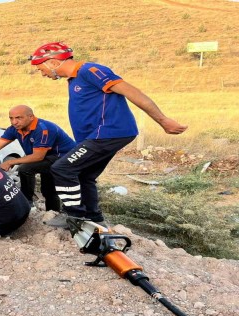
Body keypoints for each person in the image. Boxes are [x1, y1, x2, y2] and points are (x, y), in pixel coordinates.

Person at [29, 42, 188, 228]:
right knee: (84, 174)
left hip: (108, 133)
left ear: (53, 62)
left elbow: (130, 91)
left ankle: (74, 216)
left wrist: (163, 120)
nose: (42, 74)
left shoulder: (89, 70)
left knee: (62, 168)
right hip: (98, 136)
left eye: (41, 69)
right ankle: (94, 218)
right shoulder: (74, 79)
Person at [0, 104, 75, 212]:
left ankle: (27, 202)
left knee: (25, 169)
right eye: (11, 118)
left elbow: (38, 156)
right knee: (47, 189)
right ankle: (53, 213)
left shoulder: (43, 129)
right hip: (47, 157)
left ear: (31, 117)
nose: (14, 122)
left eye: (18, 118)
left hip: (64, 157)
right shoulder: (14, 129)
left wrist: (11, 162)